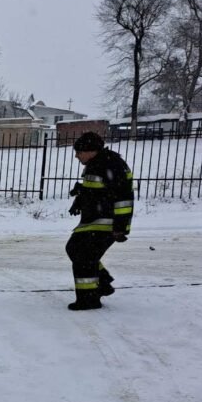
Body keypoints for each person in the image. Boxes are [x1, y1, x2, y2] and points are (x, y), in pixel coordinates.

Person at [65, 131, 134, 311]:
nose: (76, 156)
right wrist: (80, 197)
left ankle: (89, 299)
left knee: (84, 256)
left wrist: (120, 227)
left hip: (107, 223)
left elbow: (123, 198)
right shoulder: (97, 164)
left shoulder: (112, 165)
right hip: (93, 220)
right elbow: (97, 191)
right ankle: (102, 283)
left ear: (90, 150)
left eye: (78, 152)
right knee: (75, 249)